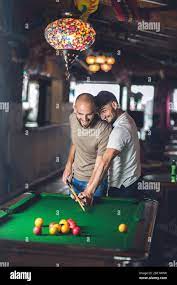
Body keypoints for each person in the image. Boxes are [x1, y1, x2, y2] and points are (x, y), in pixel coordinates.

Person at [78, 91, 142, 205]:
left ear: (114, 105)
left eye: (104, 111)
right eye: (99, 113)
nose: (102, 116)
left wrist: (89, 192)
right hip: (131, 182)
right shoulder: (127, 118)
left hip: (123, 188)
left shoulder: (120, 129)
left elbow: (105, 162)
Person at [62, 93, 112, 199]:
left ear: (95, 110)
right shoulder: (72, 119)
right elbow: (76, 142)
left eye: (89, 114)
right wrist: (69, 165)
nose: (84, 119)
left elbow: (100, 163)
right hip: (75, 179)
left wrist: (89, 189)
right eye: (80, 113)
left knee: (96, 214)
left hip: (95, 183)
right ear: (75, 109)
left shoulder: (104, 128)